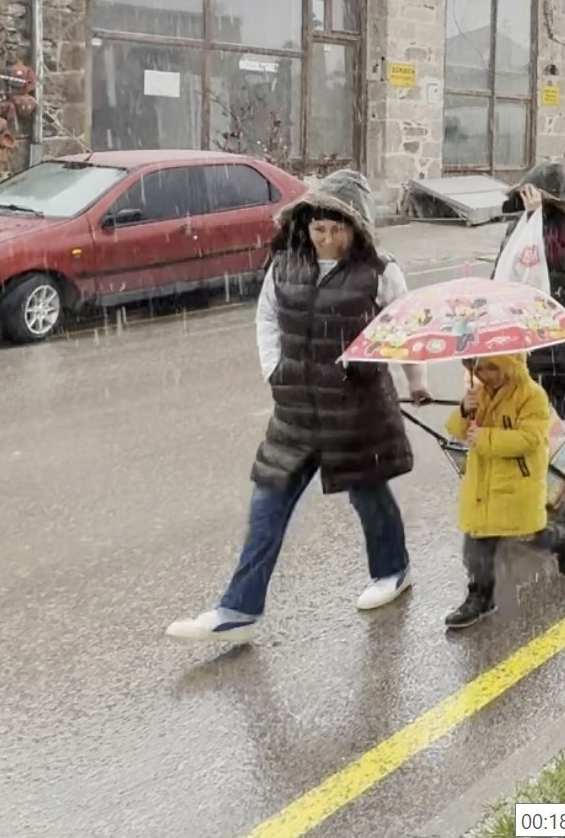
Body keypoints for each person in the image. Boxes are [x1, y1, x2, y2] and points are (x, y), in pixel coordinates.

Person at [166, 170, 430, 644]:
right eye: (318, 229)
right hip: (295, 410)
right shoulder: (285, 264)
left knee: (368, 497)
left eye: (337, 230)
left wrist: (417, 381)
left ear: (357, 228)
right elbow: (267, 317)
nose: (326, 239)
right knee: (267, 502)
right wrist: (274, 370)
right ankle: (238, 609)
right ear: (305, 226)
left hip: (357, 411)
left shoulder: (382, 271)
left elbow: (403, 330)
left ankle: (394, 569)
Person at [443, 355, 565, 630]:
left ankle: (564, 538)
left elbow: (530, 439)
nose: (483, 374)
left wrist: (486, 438)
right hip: (482, 484)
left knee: (528, 536)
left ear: (510, 365)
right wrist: (463, 409)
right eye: (478, 367)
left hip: (516, 482)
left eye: (492, 367)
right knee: (477, 538)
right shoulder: (477, 393)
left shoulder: (532, 396)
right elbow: (458, 431)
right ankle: (481, 595)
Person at [498, 163, 565, 451]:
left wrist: (534, 216)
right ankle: (537, 447)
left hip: (551, 335)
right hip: (520, 330)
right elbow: (507, 268)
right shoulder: (519, 228)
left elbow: (547, 257)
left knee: (551, 389)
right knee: (525, 392)